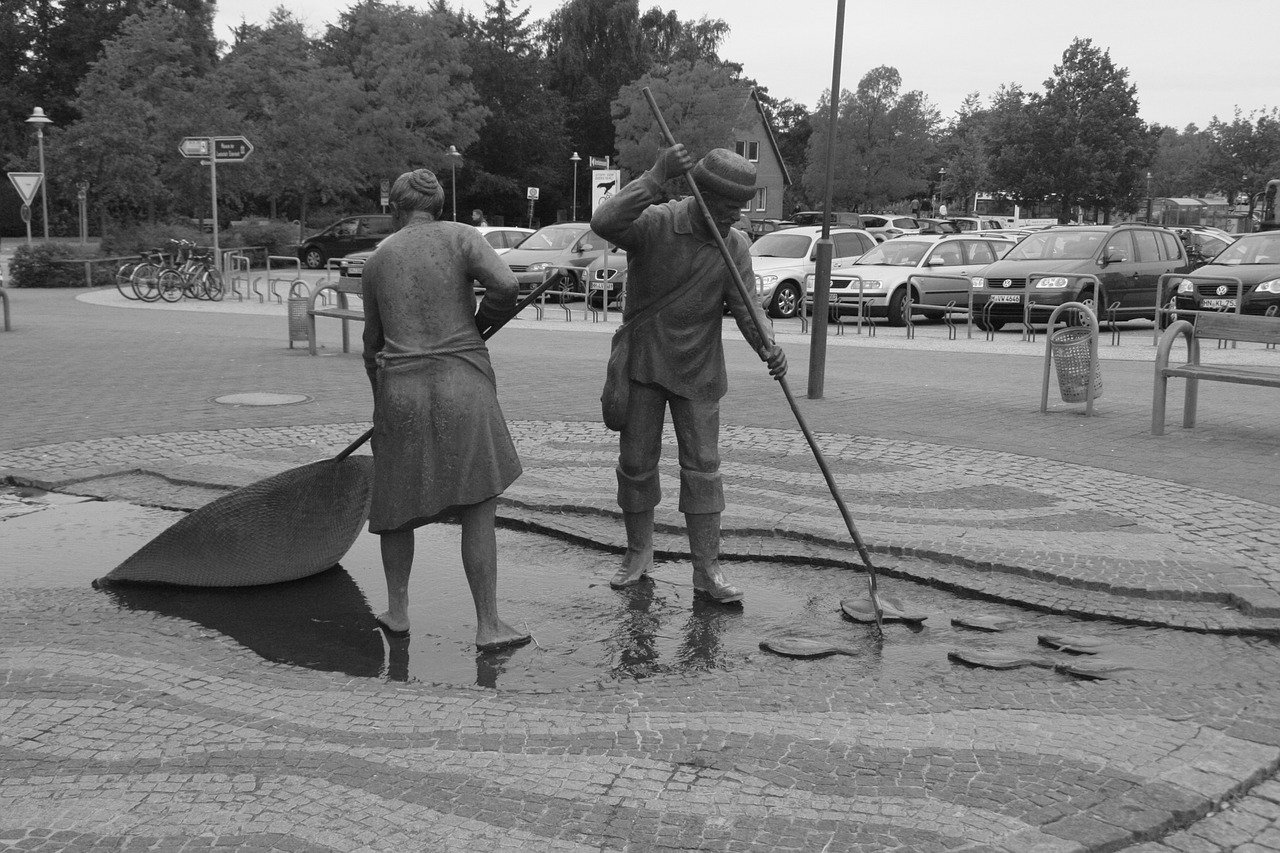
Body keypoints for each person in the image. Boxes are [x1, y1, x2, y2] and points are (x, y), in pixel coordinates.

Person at [591, 145, 787, 605]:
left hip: (698, 370)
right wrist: (657, 174)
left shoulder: (733, 245)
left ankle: (707, 569)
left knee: (703, 469)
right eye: (726, 208)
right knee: (636, 465)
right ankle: (639, 553)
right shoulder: (659, 222)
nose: (734, 217)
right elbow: (605, 223)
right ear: (700, 195)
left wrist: (768, 345)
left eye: (738, 208)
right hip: (643, 362)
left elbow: (747, 303)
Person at [361, 168, 530, 651]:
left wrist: (380, 409)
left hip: (400, 390)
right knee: (478, 506)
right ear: (438, 206)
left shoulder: (379, 260)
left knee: (395, 508)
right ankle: (488, 624)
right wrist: (479, 326)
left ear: (396, 208)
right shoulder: (461, 238)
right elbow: (506, 286)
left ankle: (397, 610)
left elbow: (372, 348)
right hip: (463, 382)